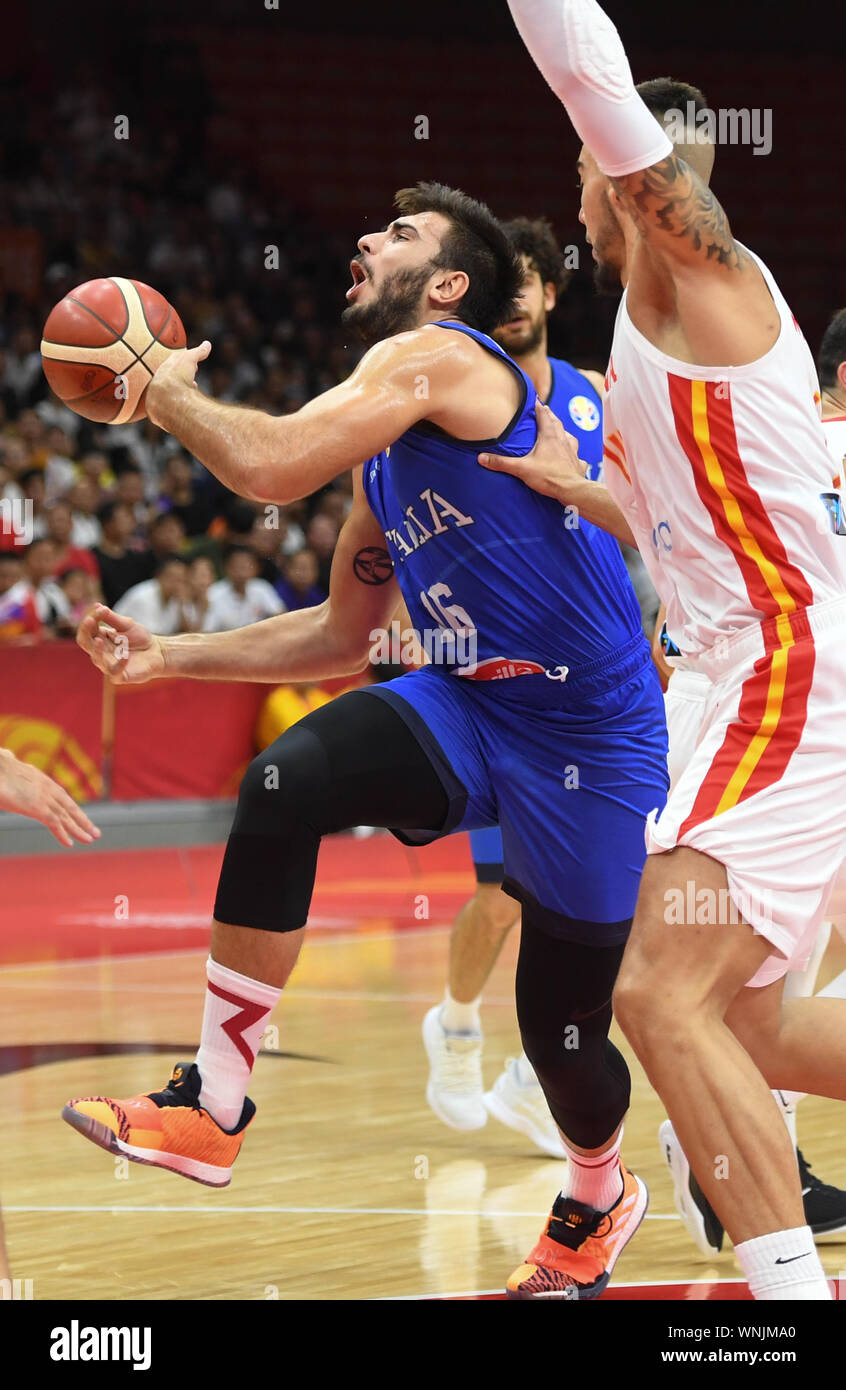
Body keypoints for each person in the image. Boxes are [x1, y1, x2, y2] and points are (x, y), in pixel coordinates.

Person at [68, 181, 668, 1300]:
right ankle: (213, 1103)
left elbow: (266, 465)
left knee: (564, 1040)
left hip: (591, 729)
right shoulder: (388, 454)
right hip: (474, 703)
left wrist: (158, 391)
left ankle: (598, 1188)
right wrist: (169, 657)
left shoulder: (441, 356)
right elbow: (346, 633)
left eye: (397, 234)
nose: (362, 238)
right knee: (288, 777)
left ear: (446, 286)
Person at [486, 0, 846, 1301]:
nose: (593, 173)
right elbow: (660, 509)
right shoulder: (646, 339)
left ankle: (786, 1303)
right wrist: (558, 478)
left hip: (783, 672)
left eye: (606, 159)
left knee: (654, 982)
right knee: (742, 1020)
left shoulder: (696, 277)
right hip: (743, 681)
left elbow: (591, 76)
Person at [655, 308, 846, 1252]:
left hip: (774, 699)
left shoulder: (767, 438)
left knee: (758, 994)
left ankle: (736, 1148)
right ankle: (723, 1151)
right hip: (767, 704)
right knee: (729, 993)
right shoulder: (804, 442)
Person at [422, 217, 605, 1155]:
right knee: (506, 892)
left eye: (539, 280)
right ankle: (455, 1023)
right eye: (513, 281)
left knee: (596, 895)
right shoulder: (458, 401)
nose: (525, 295)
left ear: (554, 295)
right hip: (494, 681)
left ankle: (536, 1072)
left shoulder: (595, 397)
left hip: (593, 688)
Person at [205, 546, 285, 630]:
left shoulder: (261, 587)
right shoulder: (214, 593)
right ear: (226, 568)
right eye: (237, 566)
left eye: (246, 565)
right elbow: (208, 630)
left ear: (255, 568)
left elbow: (280, 615)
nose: (241, 571)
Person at [114, 556, 191, 636]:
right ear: (160, 576)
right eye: (173, 578)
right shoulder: (144, 596)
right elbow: (151, 637)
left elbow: (187, 633)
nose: (178, 585)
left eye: (182, 580)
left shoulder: (177, 598)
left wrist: (182, 608)